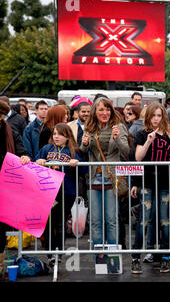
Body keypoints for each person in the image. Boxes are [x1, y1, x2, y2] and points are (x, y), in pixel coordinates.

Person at [130, 102, 170, 274]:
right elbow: (138, 158)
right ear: (148, 116)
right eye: (153, 115)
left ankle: (165, 258)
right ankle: (135, 258)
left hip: (165, 181)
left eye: (159, 115)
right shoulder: (142, 133)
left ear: (163, 116)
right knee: (144, 220)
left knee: (165, 221)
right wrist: (149, 141)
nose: (156, 119)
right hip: (146, 181)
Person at [80, 98, 130, 250]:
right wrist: (85, 144)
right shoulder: (89, 128)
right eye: (101, 110)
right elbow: (83, 150)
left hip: (112, 176)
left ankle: (113, 256)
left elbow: (126, 151)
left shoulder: (118, 127)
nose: (105, 113)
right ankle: (99, 255)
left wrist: (117, 139)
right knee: (95, 220)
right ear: (95, 111)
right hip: (94, 177)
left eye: (107, 109)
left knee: (111, 219)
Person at [34, 122, 85, 266]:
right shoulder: (46, 148)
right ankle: (50, 254)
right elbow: (35, 161)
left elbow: (83, 171)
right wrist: (39, 160)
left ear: (68, 136)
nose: (57, 137)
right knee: (49, 224)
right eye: (55, 134)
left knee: (60, 223)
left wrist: (76, 163)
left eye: (60, 134)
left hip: (66, 192)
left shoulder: (73, 150)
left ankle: (59, 252)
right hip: (48, 192)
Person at [0, 101, 31, 275]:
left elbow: (21, 150)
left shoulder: (9, 131)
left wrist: (25, 156)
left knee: (0, 227)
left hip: (4, 183)